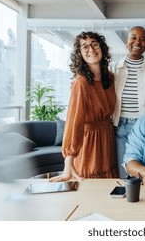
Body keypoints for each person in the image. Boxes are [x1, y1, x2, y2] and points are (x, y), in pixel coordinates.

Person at [50, 31, 119, 182]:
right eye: (84, 47)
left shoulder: (110, 77)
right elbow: (75, 121)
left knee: (109, 185)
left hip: (107, 136)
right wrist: (69, 160)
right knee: (90, 184)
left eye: (94, 44)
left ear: (102, 48)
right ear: (79, 54)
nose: (91, 49)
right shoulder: (81, 82)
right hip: (90, 141)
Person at [110, 26, 145, 178]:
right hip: (120, 127)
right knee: (125, 172)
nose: (138, 42)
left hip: (144, 126)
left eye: (143, 39)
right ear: (126, 41)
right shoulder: (113, 68)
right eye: (134, 38)